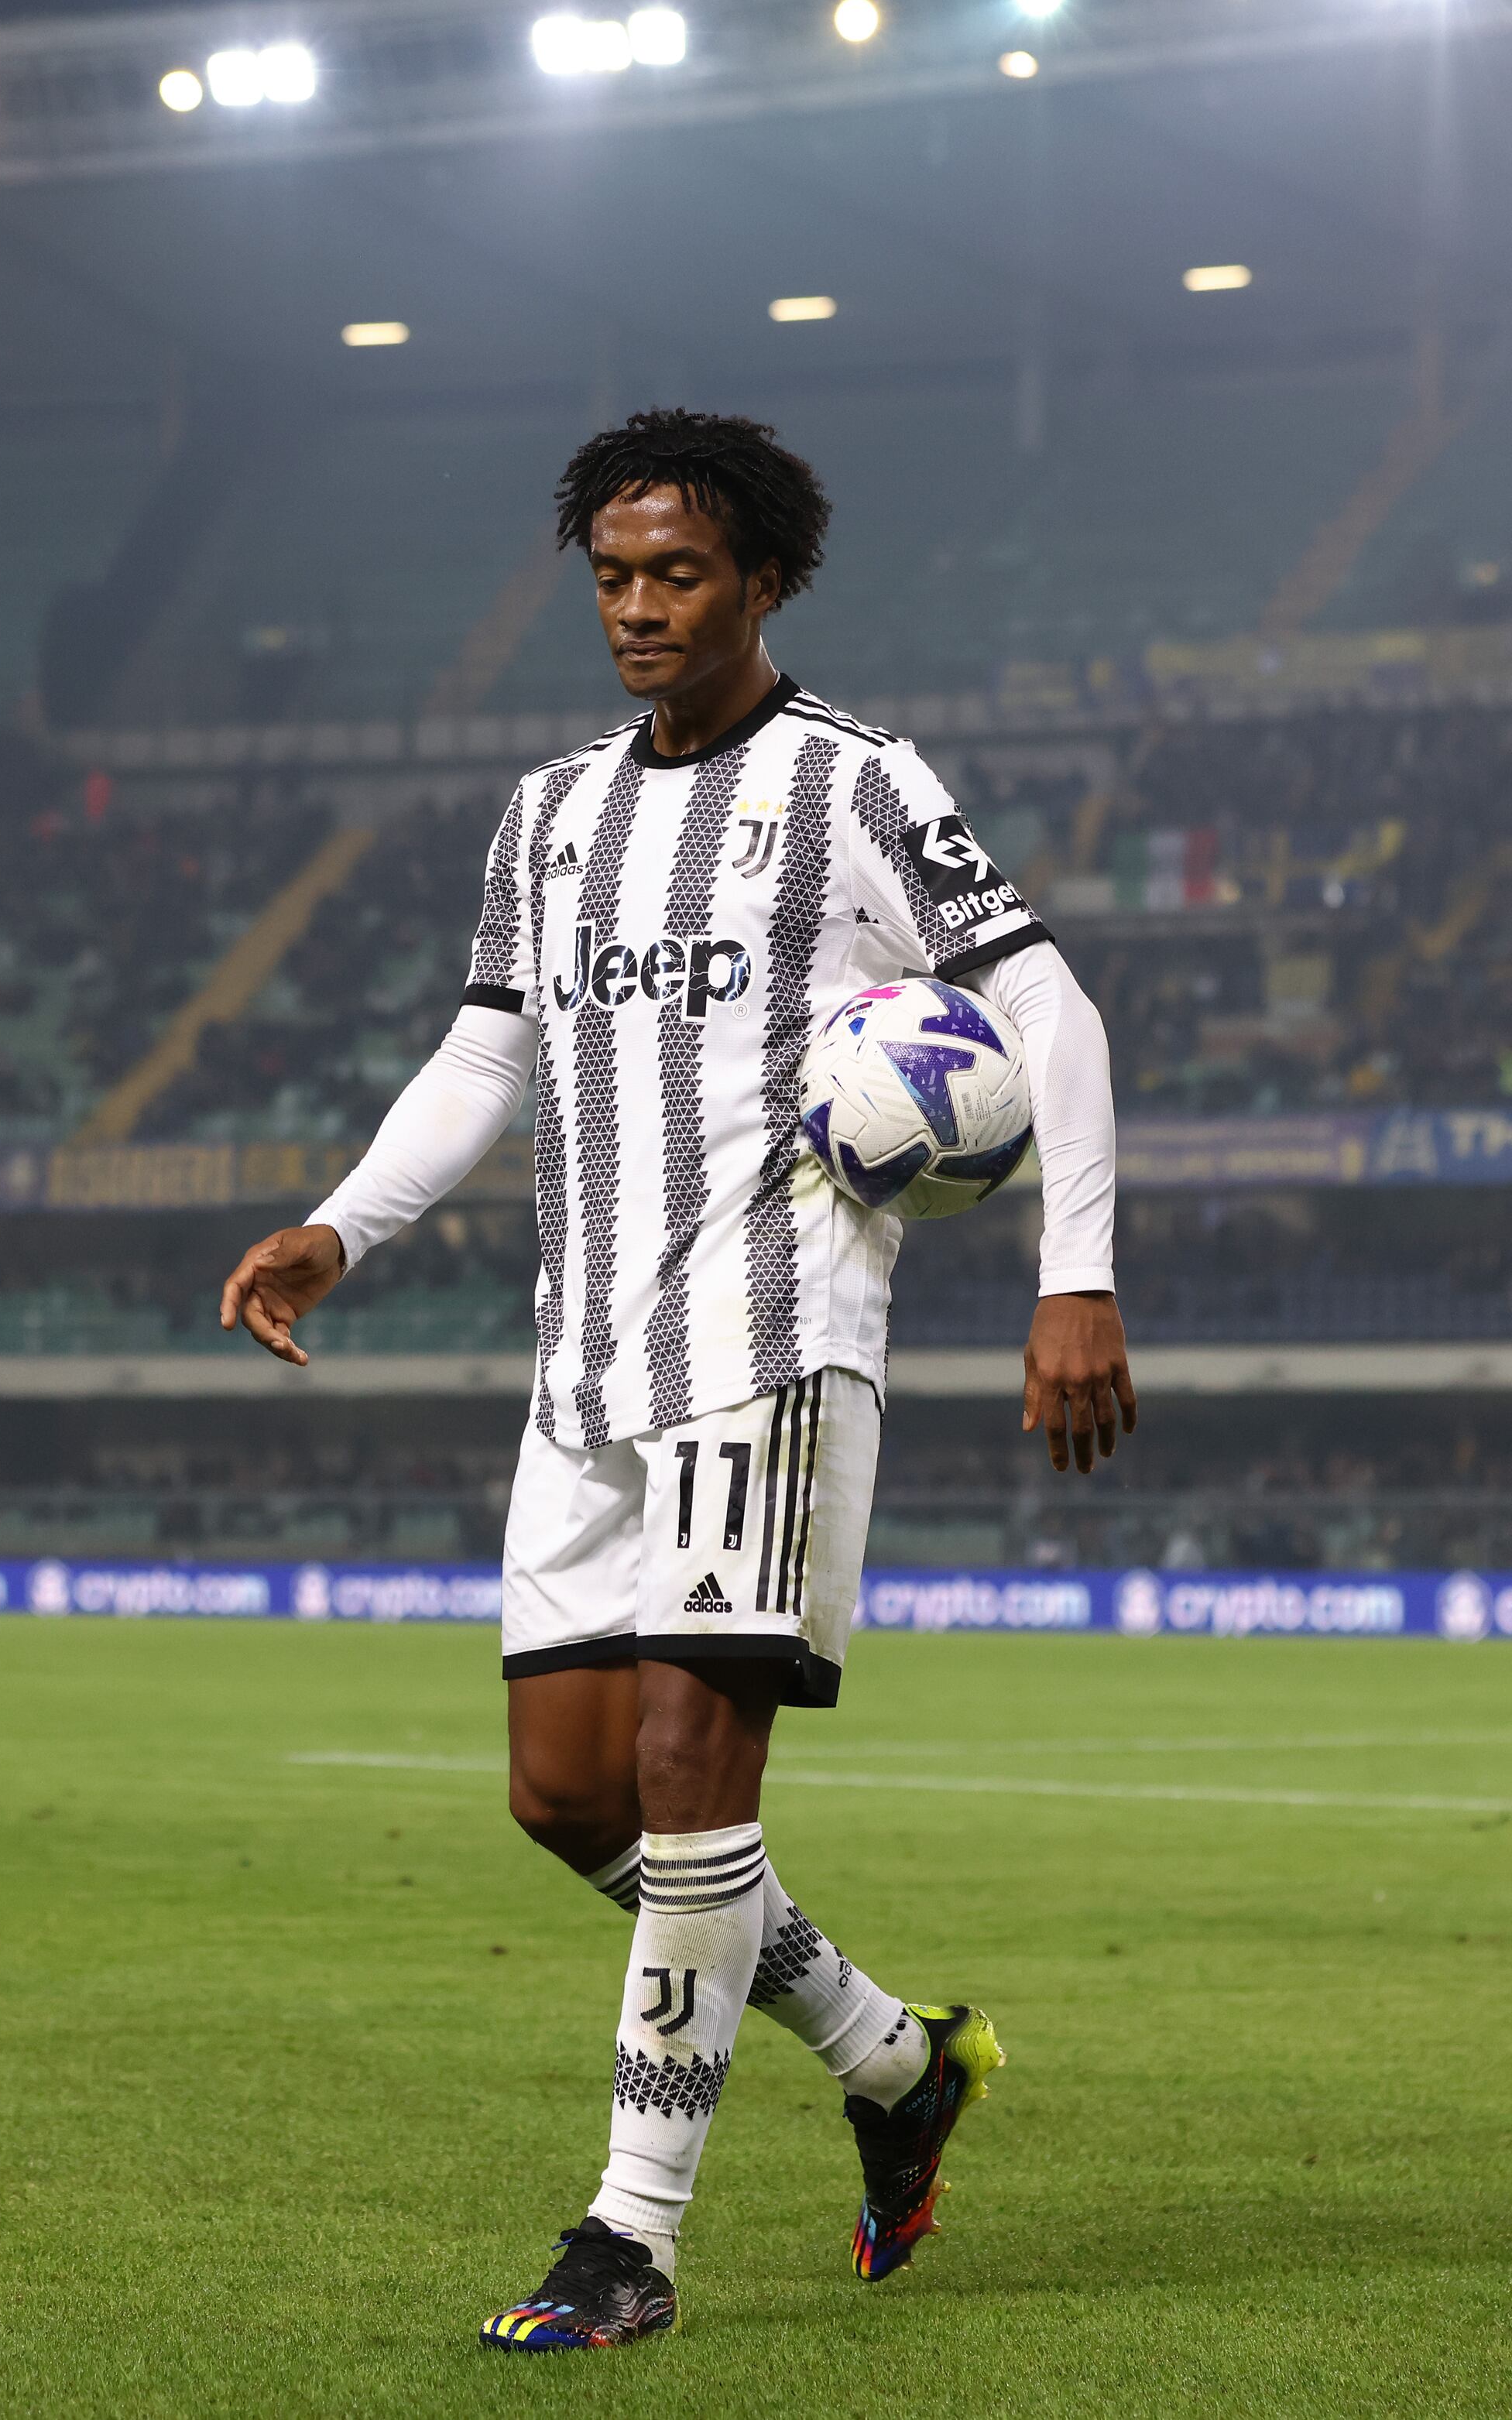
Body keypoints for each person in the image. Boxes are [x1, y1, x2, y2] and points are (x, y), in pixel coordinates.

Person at [218, 408, 1135, 2353]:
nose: (639, 605)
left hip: (773, 1342)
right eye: (614, 574)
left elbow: (1045, 999)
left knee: (687, 1776)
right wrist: (339, 1226)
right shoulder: (549, 811)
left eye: (680, 573)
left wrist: (1077, 1271)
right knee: (565, 1795)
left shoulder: (852, 780)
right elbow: (486, 1050)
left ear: (763, 581)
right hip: (588, 1363)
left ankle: (625, 2238)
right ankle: (894, 2059)